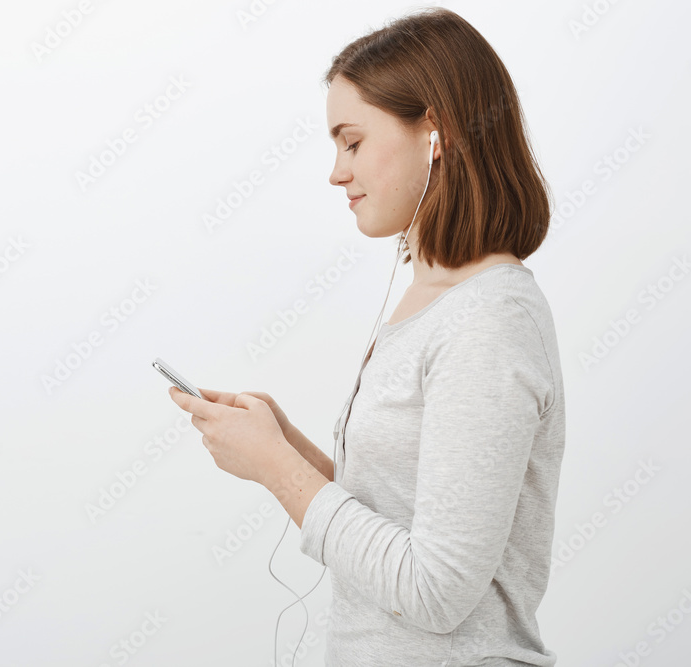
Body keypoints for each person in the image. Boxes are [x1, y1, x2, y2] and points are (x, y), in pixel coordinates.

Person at [168, 6, 565, 666]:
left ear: (434, 131)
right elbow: (398, 534)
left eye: (351, 141)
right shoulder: (431, 302)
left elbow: (435, 592)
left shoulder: (489, 320)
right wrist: (285, 444)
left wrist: (276, 466)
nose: (335, 171)